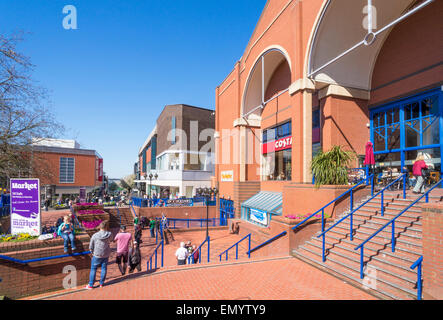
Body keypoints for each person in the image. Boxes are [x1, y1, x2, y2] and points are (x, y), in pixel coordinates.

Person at [86, 220, 112, 289]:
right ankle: (101, 283)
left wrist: (92, 252)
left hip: (97, 254)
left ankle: (91, 285)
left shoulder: (95, 235)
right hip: (106, 253)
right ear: (106, 227)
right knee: (104, 268)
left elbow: (91, 245)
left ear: (99, 227)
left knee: (93, 269)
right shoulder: (109, 234)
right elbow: (111, 240)